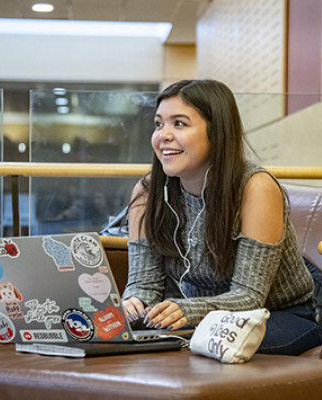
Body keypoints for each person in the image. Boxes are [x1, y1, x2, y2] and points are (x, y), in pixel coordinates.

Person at [121, 79, 322, 355]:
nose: (163, 135)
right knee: (142, 340)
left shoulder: (256, 188)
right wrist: (134, 304)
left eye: (179, 123)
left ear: (217, 132)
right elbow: (144, 284)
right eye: (159, 124)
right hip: (200, 318)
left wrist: (186, 310)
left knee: (199, 344)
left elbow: (250, 298)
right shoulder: (147, 192)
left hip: (281, 314)